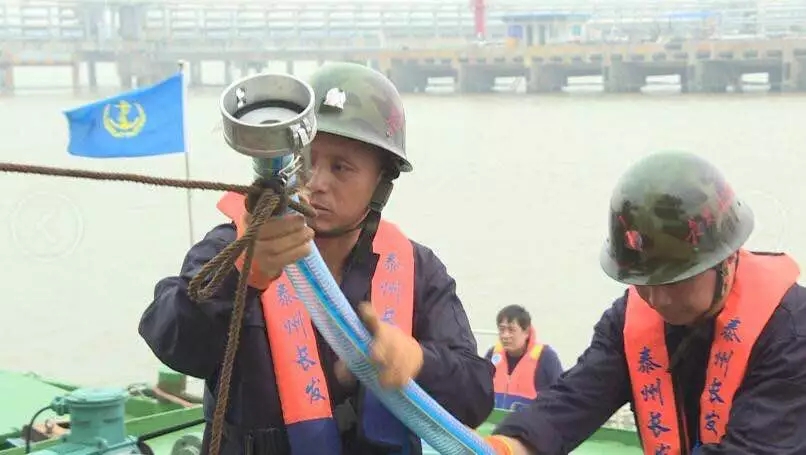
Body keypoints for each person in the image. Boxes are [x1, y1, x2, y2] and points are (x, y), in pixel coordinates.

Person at [138, 62, 495, 455]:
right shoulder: (233, 245)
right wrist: (241, 276)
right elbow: (171, 340)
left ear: (381, 182)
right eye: (306, 161)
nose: (317, 182)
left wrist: (419, 362)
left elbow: (476, 395)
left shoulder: (418, 270)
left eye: (341, 167)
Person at [482, 151, 806, 455]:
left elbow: (756, 446)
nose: (657, 299)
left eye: (675, 280)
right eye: (645, 282)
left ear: (726, 259)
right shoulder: (628, 321)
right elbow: (576, 399)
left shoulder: (791, 332)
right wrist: (510, 445)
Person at [484, 305, 563, 410]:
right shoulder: (492, 355)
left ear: (526, 332)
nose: (505, 335)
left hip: (531, 419)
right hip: (495, 419)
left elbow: (561, 396)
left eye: (511, 330)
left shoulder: (546, 357)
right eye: (502, 330)